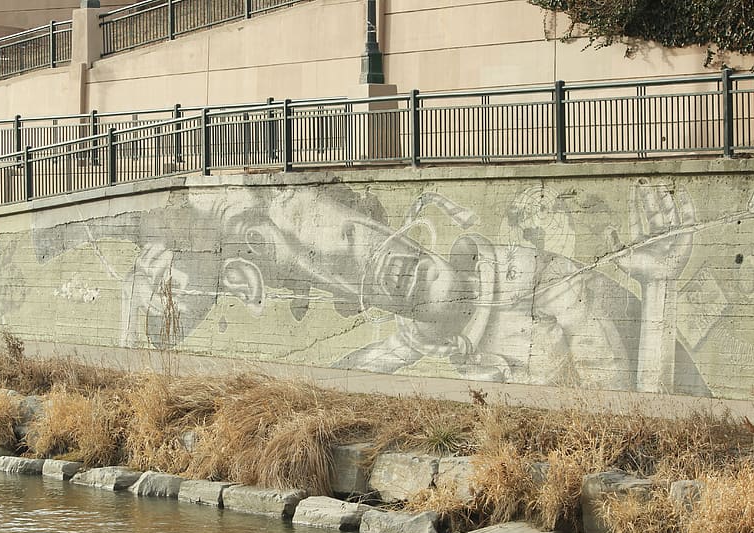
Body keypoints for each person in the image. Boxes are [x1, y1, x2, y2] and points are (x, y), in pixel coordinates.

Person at [111, 179, 707, 396]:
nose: (380, 256)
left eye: (362, 234)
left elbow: (633, 413)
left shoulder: (533, 278)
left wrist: (659, 288)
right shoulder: (401, 351)